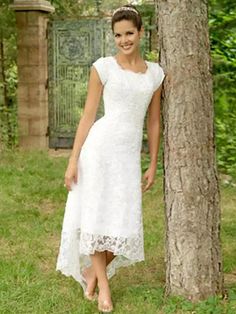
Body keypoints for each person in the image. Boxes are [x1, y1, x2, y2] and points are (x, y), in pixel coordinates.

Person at [56, 4, 165, 313]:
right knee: (95, 215)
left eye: (129, 33)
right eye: (118, 35)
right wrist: (73, 159)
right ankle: (102, 286)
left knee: (124, 224)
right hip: (99, 150)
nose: (124, 40)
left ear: (141, 33)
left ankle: (92, 272)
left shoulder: (155, 74)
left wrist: (153, 162)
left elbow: (154, 122)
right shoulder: (103, 67)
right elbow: (88, 116)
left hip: (128, 156)